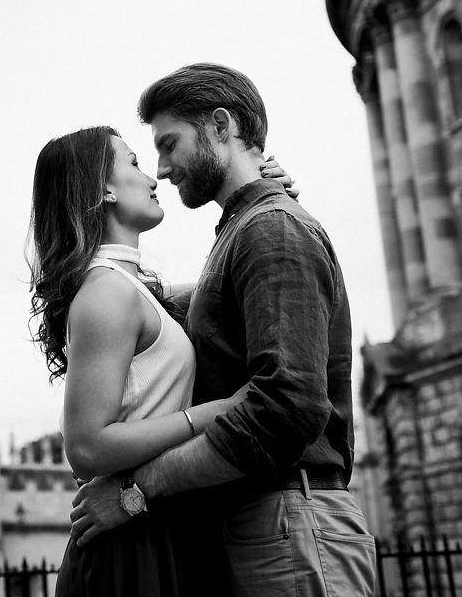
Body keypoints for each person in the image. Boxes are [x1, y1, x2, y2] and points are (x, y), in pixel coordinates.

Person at [68, 64, 377, 597]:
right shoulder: (248, 231)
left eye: (168, 145)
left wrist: (135, 490)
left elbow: (285, 409)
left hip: (292, 517)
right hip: (267, 523)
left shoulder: (270, 229)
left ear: (218, 126)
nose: (162, 170)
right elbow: (154, 309)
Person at [28, 125, 295, 597]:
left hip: (157, 523)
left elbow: (226, 285)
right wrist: (208, 415)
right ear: (103, 189)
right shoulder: (107, 291)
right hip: (131, 540)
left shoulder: (128, 289)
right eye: (132, 162)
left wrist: (265, 196)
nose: (152, 176)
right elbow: (86, 446)